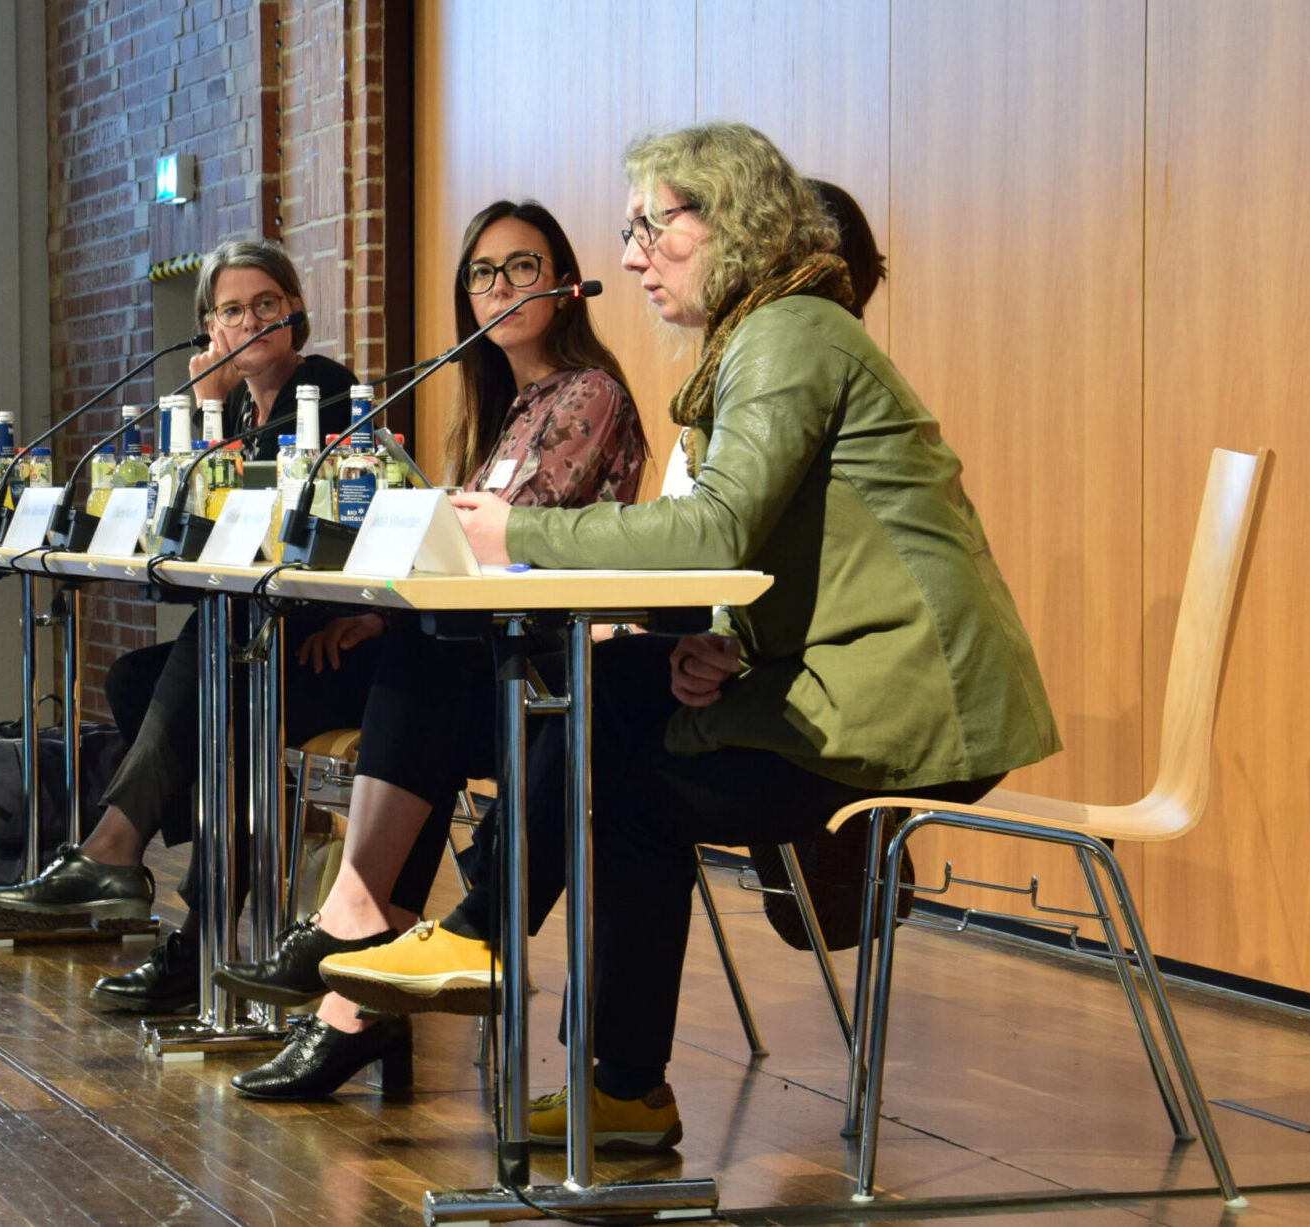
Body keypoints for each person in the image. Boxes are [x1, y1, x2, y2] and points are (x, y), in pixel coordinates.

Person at [317, 123, 1060, 1151]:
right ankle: (614, 1083)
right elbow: (785, 549)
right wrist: (719, 642)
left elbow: (716, 527)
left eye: (649, 227)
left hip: (915, 705)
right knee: (622, 708)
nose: (628, 257)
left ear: (735, 219)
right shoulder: (763, 337)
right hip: (840, 678)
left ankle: (494, 943)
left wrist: (513, 532)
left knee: (615, 731)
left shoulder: (793, 332)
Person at [210, 199, 646, 1100]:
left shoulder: (590, 394)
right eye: (483, 274)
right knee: (415, 652)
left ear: (564, 286)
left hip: (567, 690)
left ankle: (349, 934)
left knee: (430, 664)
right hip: (500, 673)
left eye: (522, 268)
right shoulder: (505, 408)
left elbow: (522, 535)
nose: (500, 289)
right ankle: (351, 985)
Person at [0, 239, 366, 1010]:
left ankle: (127, 861)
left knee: (220, 672)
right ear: (209, 326)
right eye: (230, 309)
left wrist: (210, 404)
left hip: (331, 648)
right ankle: (186, 927)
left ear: (294, 312)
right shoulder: (237, 405)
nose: (249, 320)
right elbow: (191, 528)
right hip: (268, 643)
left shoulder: (326, 387)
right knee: (144, 681)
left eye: (264, 305)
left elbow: (259, 520)